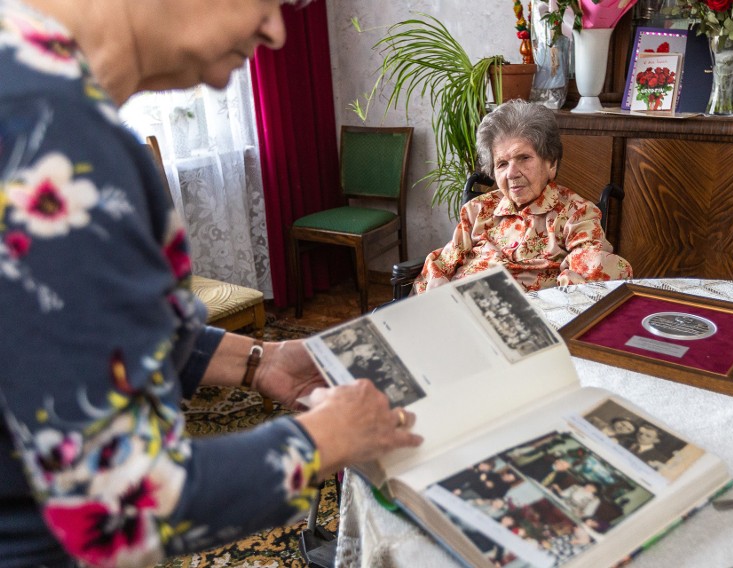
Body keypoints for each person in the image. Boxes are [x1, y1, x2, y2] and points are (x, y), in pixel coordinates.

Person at [0, 1, 423, 567]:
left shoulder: (31, 92)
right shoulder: (59, 135)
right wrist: (328, 438)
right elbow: (123, 512)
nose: (276, 32)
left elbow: (82, 334)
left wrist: (260, 361)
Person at [413, 99, 632, 294]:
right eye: (502, 163)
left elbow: (590, 266)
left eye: (524, 158)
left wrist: (566, 288)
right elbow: (443, 263)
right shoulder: (479, 209)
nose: (512, 173)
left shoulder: (576, 214)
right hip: (461, 315)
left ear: (551, 163)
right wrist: (438, 287)